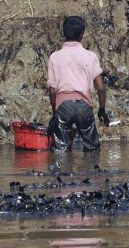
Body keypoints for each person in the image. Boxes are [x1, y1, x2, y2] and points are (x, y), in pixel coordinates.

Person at [47, 16, 109, 152]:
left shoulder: (55, 57)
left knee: (60, 150)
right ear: (82, 34)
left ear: (64, 33)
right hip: (84, 106)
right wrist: (102, 109)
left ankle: (59, 171)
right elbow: (101, 88)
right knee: (92, 148)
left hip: (63, 107)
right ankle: (93, 171)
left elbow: (52, 91)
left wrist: (55, 113)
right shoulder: (90, 56)